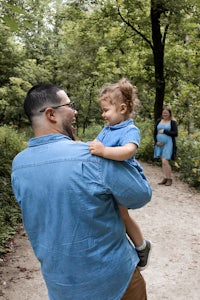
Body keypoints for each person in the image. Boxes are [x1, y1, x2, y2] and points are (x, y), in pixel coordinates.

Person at [11, 83, 152, 300]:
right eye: (70, 105)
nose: (75, 111)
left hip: (61, 287)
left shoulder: (18, 166)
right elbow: (141, 195)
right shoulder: (90, 157)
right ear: (51, 114)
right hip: (115, 281)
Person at [89, 78, 151, 271]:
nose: (103, 114)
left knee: (123, 216)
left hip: (125, 179)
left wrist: (104, 151)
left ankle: (142, 246)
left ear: (122, 108)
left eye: (106, 110)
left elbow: (128, 151)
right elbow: (95, 148)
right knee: (113, 215)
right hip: (109, 182)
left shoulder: (129, 129)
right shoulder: (107, 130)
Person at [154, 107, 178, 186]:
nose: (165, 114)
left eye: (166, 113)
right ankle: (165, 178)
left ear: (170, 114)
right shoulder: (159, 121)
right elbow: (155, 132)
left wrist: (165, 131)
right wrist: (156, 141)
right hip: (159, 144)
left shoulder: (172, 122)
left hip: (168, 144)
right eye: (163, 112)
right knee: (162, 161)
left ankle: (169, 179)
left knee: (165, 161)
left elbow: (175, 133)